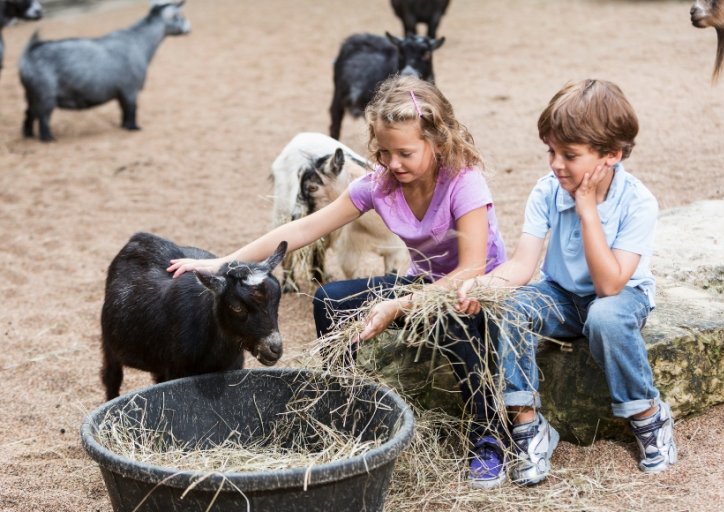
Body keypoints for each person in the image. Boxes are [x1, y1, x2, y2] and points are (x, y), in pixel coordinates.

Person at [168, 74, 509, 489]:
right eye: (383, 152)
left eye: (405, 152)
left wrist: (397, 306)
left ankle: (488, 435)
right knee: (330, 299)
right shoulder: (381, 184)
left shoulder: (463, 180)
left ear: (437, 142)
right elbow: (303, 230)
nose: (393, 163)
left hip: (474, 291)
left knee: (460, 321)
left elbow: (471, 269)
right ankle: (343, 411)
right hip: (420, 284)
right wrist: (220, 263)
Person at [457, 78, 677, 486]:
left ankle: (648, 416)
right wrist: (485, 286)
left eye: (569, 155)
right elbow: (523, 265)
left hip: (620, 297)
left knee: (606, 318)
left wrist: (587, 208)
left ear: (611, 155)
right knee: (509, 308)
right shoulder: (546, 191)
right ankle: (528, 425)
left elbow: (611, 285)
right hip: (559, 295)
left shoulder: (637, 201)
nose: (556, 164)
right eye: (551, 151)